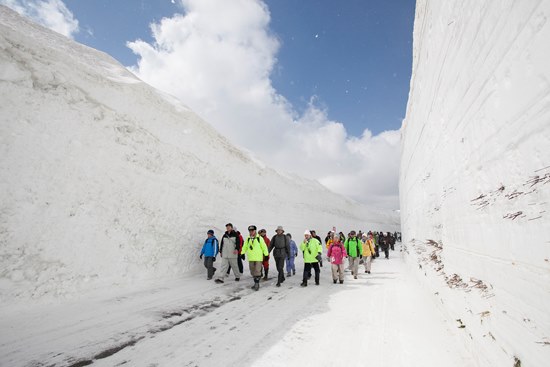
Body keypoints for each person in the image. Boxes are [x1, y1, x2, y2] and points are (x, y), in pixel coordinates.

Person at [241, 225, 269, 291]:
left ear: (255, 231)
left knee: (257, 271)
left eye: (252, 231)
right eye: (250, 231)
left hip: (258, 258)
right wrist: (242, 253)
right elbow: (244, 246)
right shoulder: (248, 238)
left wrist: (266, 255)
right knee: (252, 272)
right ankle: (256, 282)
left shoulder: (259, 238)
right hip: (251, 258)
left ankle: (257, 284)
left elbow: (264, 247)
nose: (251, 232)